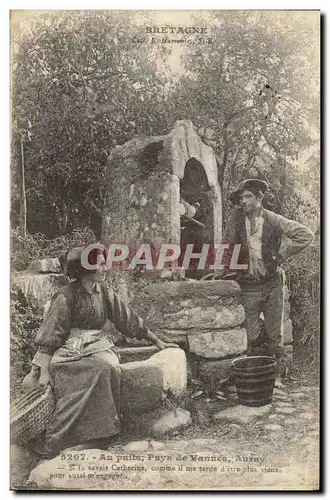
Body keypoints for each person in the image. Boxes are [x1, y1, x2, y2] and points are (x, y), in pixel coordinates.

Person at [23, 246, 178, 458]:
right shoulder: (65, 297)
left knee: (110, 367)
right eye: (100, 264)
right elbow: (51, 336)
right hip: (67, 353)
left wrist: (157, 340)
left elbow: (127, 318)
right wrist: (44, 372)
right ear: (84, 268)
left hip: (94, 346)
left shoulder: (102, 292)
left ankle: (102, 433)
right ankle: (59, 439)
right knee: (99, 368)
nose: (105, 268)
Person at [211, 179, 314, 388]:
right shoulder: (237, 221)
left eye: (248, 196)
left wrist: (281, 254)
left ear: (259, 198)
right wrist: (220, 271)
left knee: (275, 332)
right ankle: (250, 374)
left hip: (272, 283)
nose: (243, 201)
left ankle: (276, 376)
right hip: (248, 284)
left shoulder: (272, 219)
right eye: (241, 198)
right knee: (250, 332)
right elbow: (226, 246)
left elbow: (306, 235)